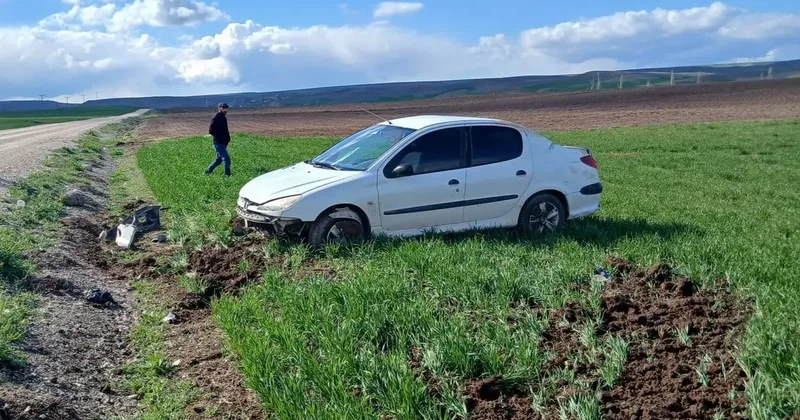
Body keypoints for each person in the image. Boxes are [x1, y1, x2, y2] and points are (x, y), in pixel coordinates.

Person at [205, 102, 232, 177]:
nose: (225, 109)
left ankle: (208, 171)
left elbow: (225, 130)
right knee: (226, 158)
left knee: (219, 160)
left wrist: (227, 139)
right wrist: (220, 137)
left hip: (223, 142)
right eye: (223, 108)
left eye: (226, 108)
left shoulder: (223, 117)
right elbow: (211, 131)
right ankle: (228, 175)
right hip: (218, 143)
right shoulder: (215, 118)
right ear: (219, 108)